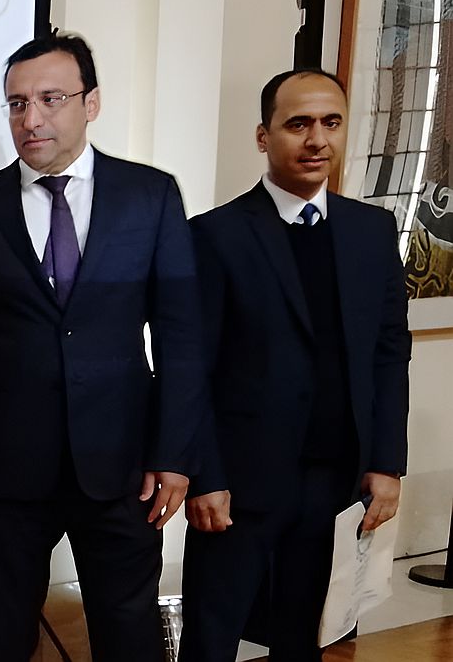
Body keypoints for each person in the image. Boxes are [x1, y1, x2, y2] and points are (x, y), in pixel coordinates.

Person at [0, 32, 209, 660]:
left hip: (124, 466)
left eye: (51, 98)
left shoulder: (151, 196)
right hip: (4, 466)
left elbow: (182, 336)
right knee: (1, 638)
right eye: (17, 103)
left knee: (128, 634)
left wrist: (175, 452)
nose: (32, 119)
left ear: (92, 102)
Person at [179, 69, 409, 662]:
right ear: (264, 136)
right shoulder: (214, 235)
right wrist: (205, 474)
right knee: (213, 637)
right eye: (298, 124)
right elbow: (190, 367)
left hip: (334, 479)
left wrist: (387, 462)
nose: (317, 140)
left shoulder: (372, 231)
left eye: (331, 122)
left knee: (307, 635)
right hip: (239, 485)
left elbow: (389, 353)